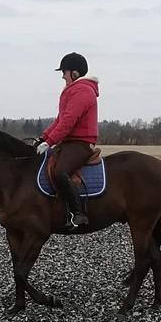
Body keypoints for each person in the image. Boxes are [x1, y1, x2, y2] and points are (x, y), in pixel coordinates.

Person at [38, 52, 98, 229]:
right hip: (69, 142)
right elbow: (59, 120)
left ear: (75, 73)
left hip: (81, 143)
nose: (63, 76)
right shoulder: (72, 91)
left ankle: (78, 214)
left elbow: (68, 122)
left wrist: (49, 143)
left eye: (64, 72)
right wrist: (42, 138)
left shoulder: (83, 91)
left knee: (60, 172)